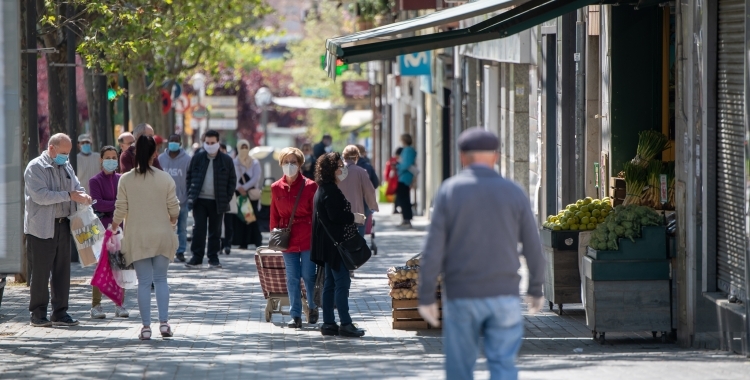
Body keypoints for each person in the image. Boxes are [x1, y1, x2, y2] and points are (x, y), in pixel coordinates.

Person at [418, 127, 546, 380]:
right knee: (503, 365)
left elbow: (433, 249)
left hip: (461, 295)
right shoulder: (514, 192)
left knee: (459, 367)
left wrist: (426, 296)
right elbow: (534, 245)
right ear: (496, 156)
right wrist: (536, 289)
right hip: (505, 295)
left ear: (462, 156)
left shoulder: (449, 191)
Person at [111, 135, 180, 340]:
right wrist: (172, 221)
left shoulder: (126, 179)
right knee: (161, 280)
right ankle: (165, 323)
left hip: (137, 236)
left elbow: (120, 209)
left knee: (143, 282)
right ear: (154, 153)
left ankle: (146, 327)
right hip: (162, 235)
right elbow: (174, 208)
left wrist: (113, 227)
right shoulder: (164, 177)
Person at [25, 133, 92, 327]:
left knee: (62, 271)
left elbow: (76, 187)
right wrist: (69, 195)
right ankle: (38, 314)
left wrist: (82, 196)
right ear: (51, 148)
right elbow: (41, 196)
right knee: (40, 271)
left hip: (63, 224)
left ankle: (60, 312)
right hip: (41, 227)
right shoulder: (35, 167)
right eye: (63, 152)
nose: (66, 156)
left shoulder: (66, 165)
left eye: (68, 153)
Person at [311, 152, 366, 338]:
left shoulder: (322, 189)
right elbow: (336, 217)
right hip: (336, 245)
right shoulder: (331, 190)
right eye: (339, 166)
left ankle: (328, 323)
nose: (343, 169)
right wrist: (355, 217)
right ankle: (346, 323)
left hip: (328, 245)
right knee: (342, 282)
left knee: (330, 284)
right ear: (331, 170)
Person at [269, 147, 319, 328]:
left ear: (300, 165)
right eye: (286, 162)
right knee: (292, 278)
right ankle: (295, 315)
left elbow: (316, 213)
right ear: (281, 164)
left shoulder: (311, 186)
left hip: (307, 236)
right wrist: (274, 234)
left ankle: (313, 307)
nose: (290, 166)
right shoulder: (276, 188)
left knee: (308, 275)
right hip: (286, 238)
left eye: (294, 162)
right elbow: (274, 214)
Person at [185, 130, 236, 269]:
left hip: (218, 201)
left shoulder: (227, 160)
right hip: (199, 200)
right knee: (199, 229)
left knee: (215, 231)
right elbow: (189, 176)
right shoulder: (197, 157)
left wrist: (226, 197)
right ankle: (196, 257)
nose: (210, 145)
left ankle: (213, 258)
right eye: (207, 143)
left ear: (218, 142)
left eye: (212, 143)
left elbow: (232, 181)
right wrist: (191, 193)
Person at [89, 145, 130, 319]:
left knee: (119, 267)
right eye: (108, 157)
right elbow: (98, 204)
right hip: (101, 228)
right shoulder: (95, 181)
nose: (111, 161)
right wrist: (117, 204)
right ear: (101, 159)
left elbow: (126, 202)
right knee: (101, 266)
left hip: (118, 228)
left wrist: (114, 204)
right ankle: (96, 306)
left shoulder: (121, 179)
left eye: (114, 157)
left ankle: (119, 304)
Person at [158, 134, 192, 262]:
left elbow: (191, 178)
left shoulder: (188, 159)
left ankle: (181, 251)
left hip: (182, 200)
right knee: (165, 228)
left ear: (180, 143)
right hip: (164, 201)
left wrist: (188, 196)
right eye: (171, 141)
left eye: (176, 141)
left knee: (181, 228)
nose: (173, 143)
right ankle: (165, 250)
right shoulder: (161, 159)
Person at [338, 145, 379, 238]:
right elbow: (369, 190)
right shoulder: (361, 171)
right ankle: (357, 249)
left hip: (339, 209)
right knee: (360, 232)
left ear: (343, 156)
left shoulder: (336, 171)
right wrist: (373, 206)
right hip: (357, 210)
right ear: (357, 157)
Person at [232, 139, 263, 250]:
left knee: (251, 218)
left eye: (246, 147)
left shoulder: (254, 162)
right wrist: (239, 188)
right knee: (241, 219)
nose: (244, 150)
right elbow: (232, 178)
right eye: (242, 147)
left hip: (250, 194)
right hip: (239, 194)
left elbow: (256, 178)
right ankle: (242, 242)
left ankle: (257, 241)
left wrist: (244, 188)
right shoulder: (234, 162)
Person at [395, 134, 416, 228]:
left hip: (404, 177)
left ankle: (407, 219)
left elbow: (406, 164)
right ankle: (406, 218)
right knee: (404, 198)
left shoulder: (408, 150)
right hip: (405, 177)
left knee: (403, 198)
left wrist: (398, 166)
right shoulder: (409, 150)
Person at [219, 143, 235, 254]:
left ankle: (227, 244)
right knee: (218, 223)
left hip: (229, 197)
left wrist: (228, 195)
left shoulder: (229, 162)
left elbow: (233, 180)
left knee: (228, 222)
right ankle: (219, 245)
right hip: (217, 198)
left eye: (222, 149)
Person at [383, 147, 403, 214]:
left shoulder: (391, 160)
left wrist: (387, 179)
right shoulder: (395, 161)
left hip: (393, 180)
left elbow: (386, 172)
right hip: (396, 180)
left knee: (397, 195)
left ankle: (396, 208)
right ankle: (397, 208)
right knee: (398, 195)